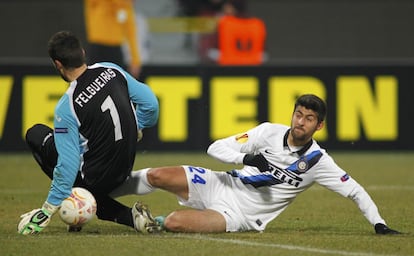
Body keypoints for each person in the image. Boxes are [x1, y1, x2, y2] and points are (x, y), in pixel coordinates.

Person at [111, 94, 401, 234]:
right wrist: (246, 158)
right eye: (298, 114)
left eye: (309, 118)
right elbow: (216, 147)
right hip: (221, 183)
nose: (301, 122)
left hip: (241, 216)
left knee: (173, 222)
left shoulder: (319, 162)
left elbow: (355, 190)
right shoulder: (267, 132)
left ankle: (153, 222)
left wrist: (379, 224)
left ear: (319, 125)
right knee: (157, 175)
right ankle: (101, 194)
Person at [18, 31, 160, 235]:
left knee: (36, 134)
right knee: (80, 153)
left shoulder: (67, 106)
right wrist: (136, 127)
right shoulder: (111, 69)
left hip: (95, 180)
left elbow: (67, 166)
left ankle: (121, 214)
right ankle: (129, 217)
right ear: (82, 53)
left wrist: (47, 210)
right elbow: (151, 104)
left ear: (58, 64)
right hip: (124, 167)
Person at [84, 0, 142, 78]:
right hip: (97, 48)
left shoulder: (125, 8)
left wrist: (135, 61)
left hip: (115, 50)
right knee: (91, 81)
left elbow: (131, 34)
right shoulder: (99, 4)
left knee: (117, 83)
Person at [202, 0, 266, 65]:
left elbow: (209, 49)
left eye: (227, 6)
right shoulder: (257, 24)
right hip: (254, 69)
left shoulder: (225, 23)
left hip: (227, 69)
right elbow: (264, 53)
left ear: (233, 7)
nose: (225, 8)